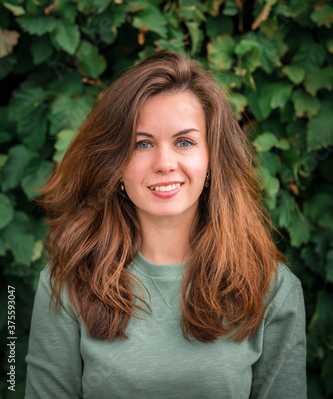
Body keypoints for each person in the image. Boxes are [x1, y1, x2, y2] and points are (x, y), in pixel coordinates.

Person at [25, 52, 307, 398]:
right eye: (142, 143)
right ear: (115, 162)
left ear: (212, 159)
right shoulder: (66, 283)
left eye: (184, 142)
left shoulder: (273, 289)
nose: (164, 163)